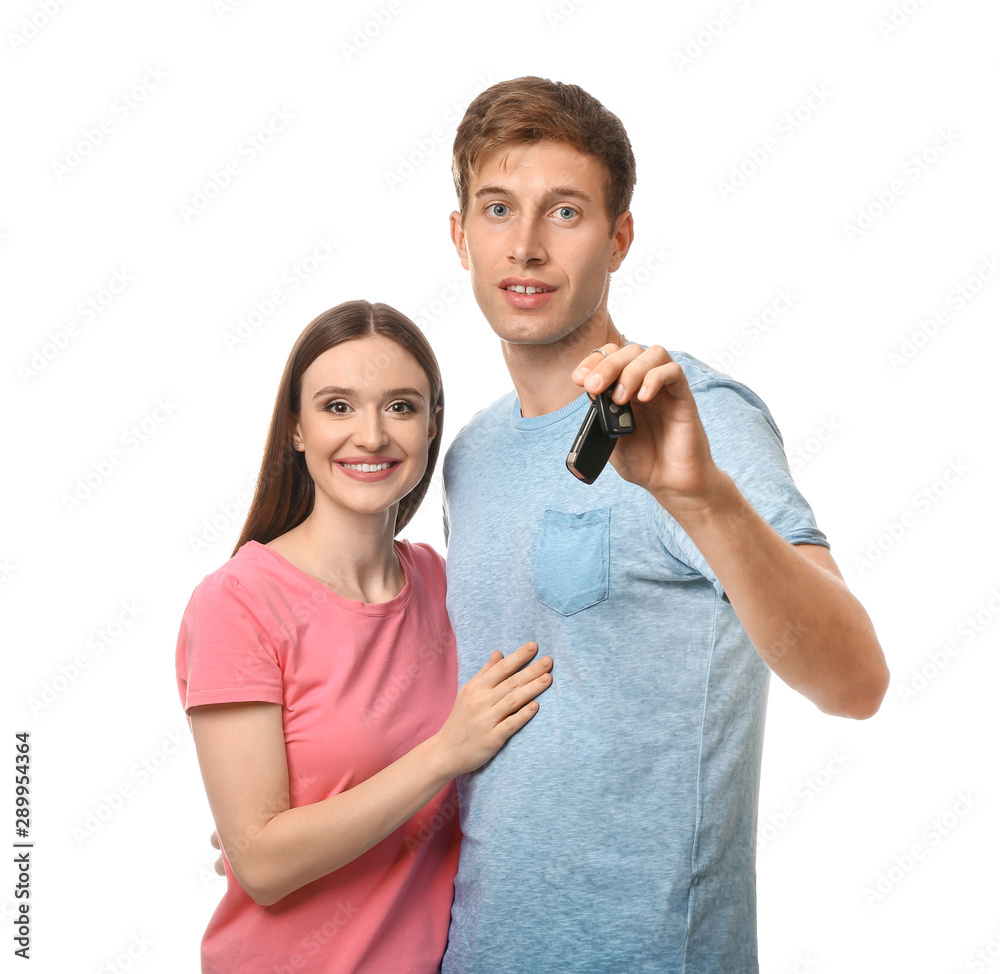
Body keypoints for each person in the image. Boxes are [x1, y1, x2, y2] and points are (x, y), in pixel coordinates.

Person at [439, 77, 890, 973]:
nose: (524, 246)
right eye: (498, 208)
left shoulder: (691, 416)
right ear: (459, 235)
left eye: (564, 212)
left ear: (620, 238)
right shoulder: (470, 456)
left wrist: (701, 498)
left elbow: (856, 681)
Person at [175, 300, 553, 973]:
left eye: (402, 407)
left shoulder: (449, 586)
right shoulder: (237, 602)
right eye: (338, 406)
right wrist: (444, 755)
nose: (372, 435)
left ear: (433, 425)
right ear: (295, 427)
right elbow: (262, 864)